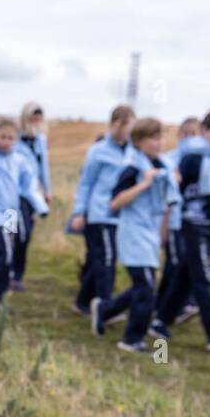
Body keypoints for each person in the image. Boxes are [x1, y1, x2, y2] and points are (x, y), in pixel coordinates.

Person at [153, 108, 210, 352]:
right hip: (189, 225)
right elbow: (172, 191)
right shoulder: (189, 156)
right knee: (203, 278)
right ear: (204, 131)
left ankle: (160, 321)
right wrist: (166, 224)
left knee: (184, 276)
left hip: (209, 225)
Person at [90, 118, 179, 353]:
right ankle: (132, 339)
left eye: (161, 138)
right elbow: (115, 203)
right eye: (153, 138)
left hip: (149, 233)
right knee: (146, 288)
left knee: (145, 286)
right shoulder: (132, 167)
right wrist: (144, 184)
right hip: (133, 233)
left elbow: (165, 204)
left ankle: (105, 310)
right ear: (139, 142)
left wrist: (163, 231)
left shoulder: (162, 167)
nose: (159, 143)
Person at [0, 119, 49, 309]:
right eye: (2, 137)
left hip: (11, 212)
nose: (6, 141)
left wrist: (41, 206)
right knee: (6, 253)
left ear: (16, 139)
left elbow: (29, 186)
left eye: (10, 137)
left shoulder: (20, 160)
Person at [71, 105, 136, 317]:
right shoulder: (98, 151)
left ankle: (82, 302)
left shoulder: (133, 151)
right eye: (123, 124)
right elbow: (86, 183)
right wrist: (79, 212)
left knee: (97, 259)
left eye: (130, 125)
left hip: (121, 215)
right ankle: (106, 308)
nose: (126, 129)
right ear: (114, 124)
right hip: (99, 213)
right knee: (107, 259)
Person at [155, 117, 200, 325]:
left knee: (183, 263)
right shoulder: (168, 159)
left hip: (191, 222)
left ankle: (167, 306)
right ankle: (168, 307)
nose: (191, 139)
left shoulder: (202, 161)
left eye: (196, 135)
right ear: (179, 135)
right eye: (188, 134)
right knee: (174, 263)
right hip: (171, 221)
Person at [12, 102, 52, 289]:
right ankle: (4, 271)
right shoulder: (13, 137)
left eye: (38, 118)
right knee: (10, 232)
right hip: (10, 192)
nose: (36, 122)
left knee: (25, 235)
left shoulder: (41, 140)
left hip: (31, 193)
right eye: (32, 118)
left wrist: (47, 190)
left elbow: (43, 165)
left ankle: (17, 274)